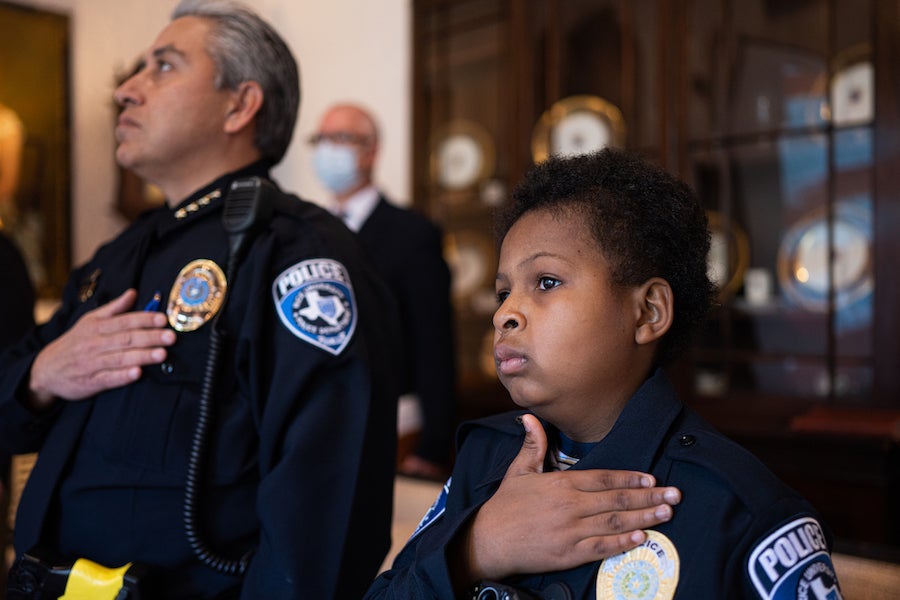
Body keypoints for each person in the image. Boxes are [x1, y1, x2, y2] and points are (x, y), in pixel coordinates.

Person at [0, 1, 402, 598]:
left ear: (240, 104)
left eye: (162, 67)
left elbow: (325, 523)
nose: (126, 92)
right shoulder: (115, 257)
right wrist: (44, 373)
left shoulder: (299, 256)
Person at [367, 149, 843, 599]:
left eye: (546, 282)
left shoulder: (742, 511)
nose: (505, 314)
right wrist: (479, 547)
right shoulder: (484, 458)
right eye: (502, 293)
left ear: (646, 313)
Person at [310, 103, 456, 480]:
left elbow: (433, 341)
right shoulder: (307, 233)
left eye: (340, 138)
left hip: (391, 425)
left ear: (370, 150)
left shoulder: (412, 234)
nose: (328, 150)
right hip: (318, 427)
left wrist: (434, 444)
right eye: (321, 139)